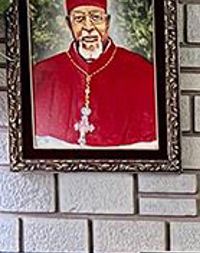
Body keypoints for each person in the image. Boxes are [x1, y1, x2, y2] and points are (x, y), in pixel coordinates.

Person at [32, 0, 158, 147]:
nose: (88, 27)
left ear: (107, 22)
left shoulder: (142, 72)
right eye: (79, 19)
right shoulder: (43, 73)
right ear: (68, 24)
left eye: (96, 18)